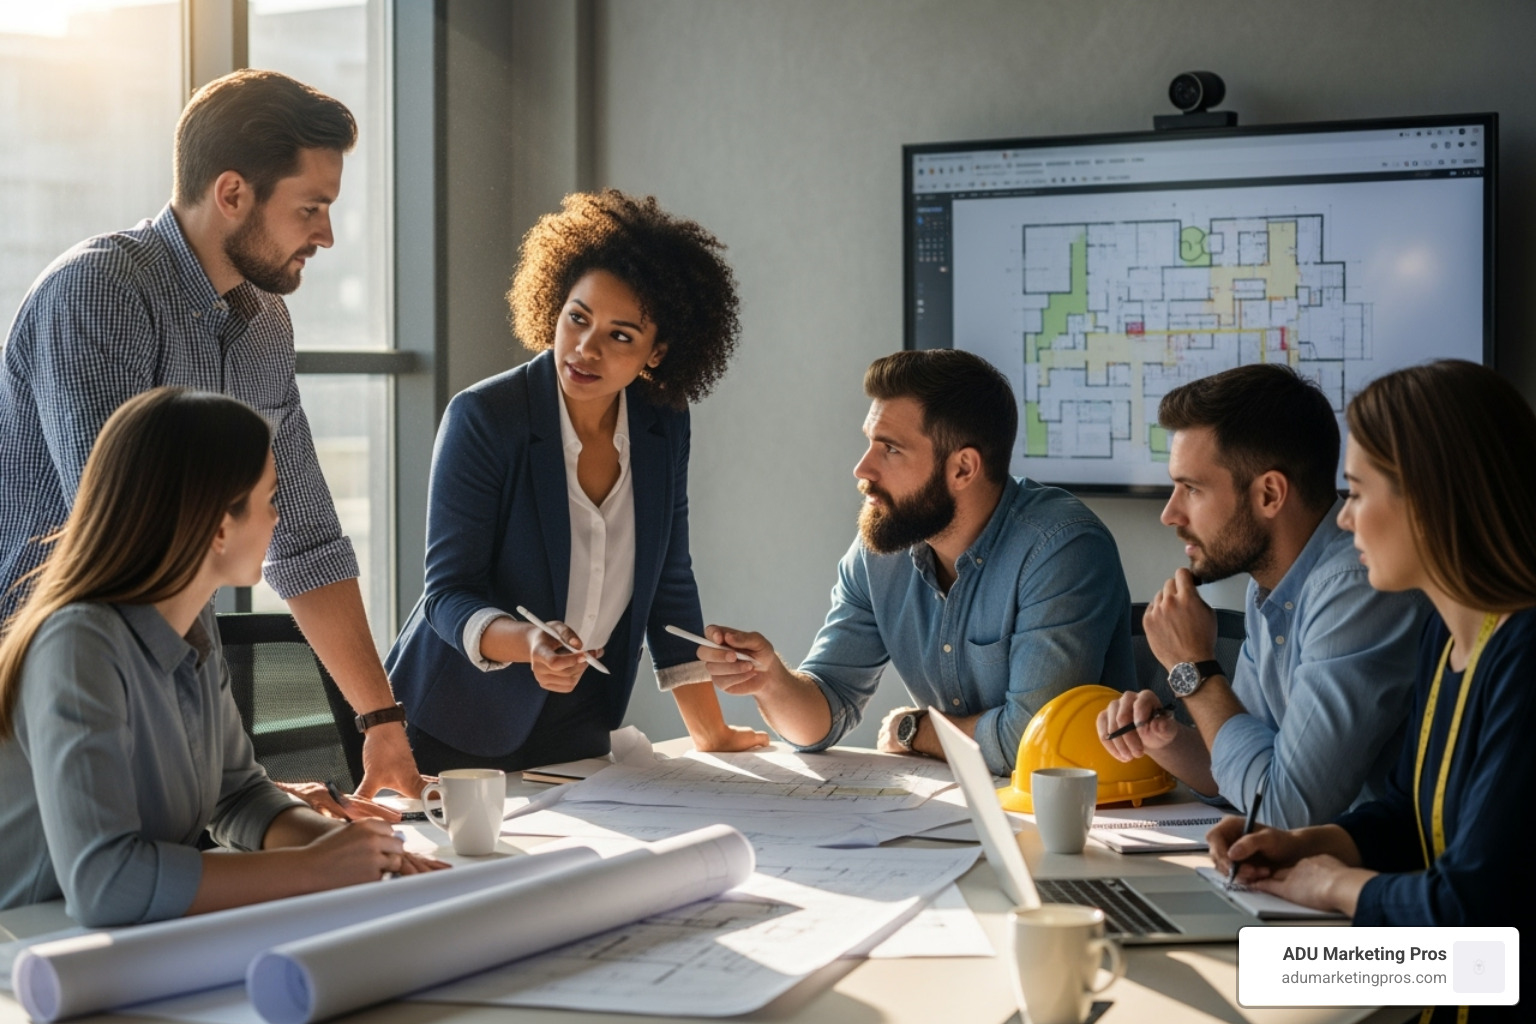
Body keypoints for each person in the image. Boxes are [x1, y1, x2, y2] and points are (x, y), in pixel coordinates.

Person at [0, 69, 424, 802]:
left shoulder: (265, 321)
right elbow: (136, 545)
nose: (325, 234)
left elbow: (307, 537)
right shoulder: (99, 292)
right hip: (48, 699)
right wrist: (240, 790)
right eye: (311, 208)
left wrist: (381, 725)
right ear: (232, 193)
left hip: (160, 693)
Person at [0, 389, 446, 927]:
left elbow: (237, 794)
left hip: (147, 941)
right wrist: (313, 870)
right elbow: (107, 883)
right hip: (36, 955)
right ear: (218, 526)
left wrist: (355, 850)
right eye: (269, 499)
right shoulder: (78, 647)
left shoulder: (191, 622)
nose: (277, 518)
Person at [385, 190, 768, 773]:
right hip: (457, 724)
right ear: (554, 306)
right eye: (577, 318)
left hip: (581, 720)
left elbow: (667, 577)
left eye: (620, 335)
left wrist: (709, 732)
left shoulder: (663, 421)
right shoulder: (486, 418)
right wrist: (528, 644)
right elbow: (448, 593)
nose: (585, 349)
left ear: (657, 352)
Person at [1211, 360, 1536, 952]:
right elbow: (1410, 816)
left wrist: (1339, 886)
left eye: (1358, 493)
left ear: (1433, 499)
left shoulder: (1524, 657)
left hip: (1484, 982)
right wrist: (1310, 844)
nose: (1343, 516)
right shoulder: (1447, 636)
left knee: (1262, 981)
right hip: (1453, 969)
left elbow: (1473, 903)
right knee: (1244, 971)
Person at [696, 349, 1135, 777]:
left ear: (963, 469)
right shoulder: (881, 548)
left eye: (890, 449)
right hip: (964, 811)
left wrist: (916, 729)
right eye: (869, 442)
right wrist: (771, 680)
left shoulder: (1060, 547)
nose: (861, 468)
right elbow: (823, 715)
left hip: (1090, 819)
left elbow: (1032, 744)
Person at [1097, 364, 1427, 827]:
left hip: (1370, 878)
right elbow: (1245, 767)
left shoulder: (1356, 587)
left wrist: (1192, 668)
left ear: (1269, 494)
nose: (1170, 514)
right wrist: (1164, 738)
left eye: (1191, 489)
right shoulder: (1269, 585)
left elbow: (1282, 808)